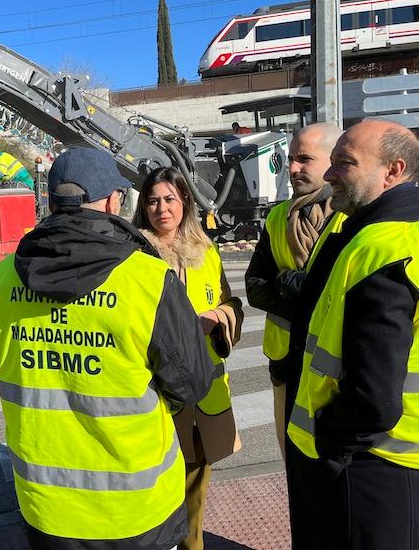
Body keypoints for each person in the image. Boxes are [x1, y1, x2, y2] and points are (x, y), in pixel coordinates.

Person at [0, 146, 214, 550]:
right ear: (113, 201)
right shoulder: (148, 279)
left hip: (47, 507)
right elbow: (192, 384)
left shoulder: (3, 277)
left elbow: (4, 357)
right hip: (137, 510)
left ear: (51, 201)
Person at [285, 120, 419, 549]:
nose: (330, 174)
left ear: (393, 170)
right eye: (332, 161)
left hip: (381, 472)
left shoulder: (381, 248)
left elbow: (372, 400)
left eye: (345, 163)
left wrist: (331, 443)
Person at [132, 167, 243, 550]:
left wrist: (219, 318)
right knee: (158, 490)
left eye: (169, 199)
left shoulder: (206, 251)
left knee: (196, 486)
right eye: (152, 200)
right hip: (157, 394)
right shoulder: (135, 256)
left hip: (205, 392)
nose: (161, 208)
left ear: (185, 203)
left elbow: (231, 302)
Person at [245, 122, 344, 458]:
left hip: (338, 369)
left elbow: (339, 292)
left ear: (334, 160)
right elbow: (256, 288)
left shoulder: (351, 219)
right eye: (290, 159)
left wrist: (288, 282)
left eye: (304, 159)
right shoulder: (277, 218)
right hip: (286, 363)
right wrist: (309, 297)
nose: (292, 168)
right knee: (294, 462)